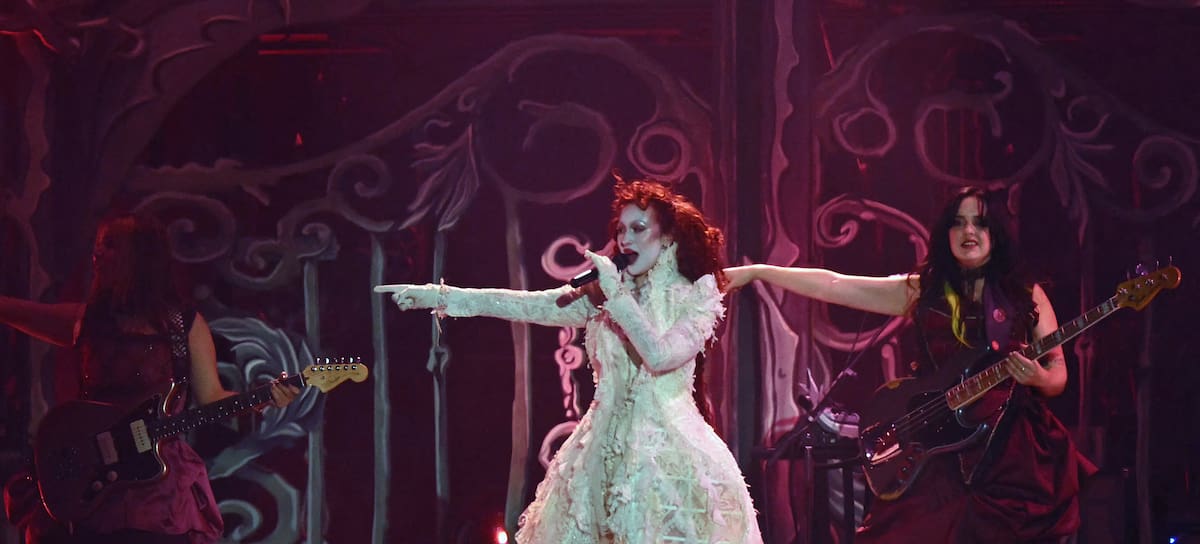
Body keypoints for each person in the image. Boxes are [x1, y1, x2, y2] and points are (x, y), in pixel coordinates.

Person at [376, 177, 763, 543]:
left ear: (669, 236)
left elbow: (661, 356)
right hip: (598, 458)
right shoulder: (604, 296)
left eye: (638, 228)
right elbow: (529, 305)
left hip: (670, 461)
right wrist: (441, 296)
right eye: (621, 230)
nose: (625, 239)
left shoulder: (697, 295)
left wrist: (616, 295)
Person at [725, 187, 1096, 543]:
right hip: (936, 446)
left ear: (995, 233)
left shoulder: (1026, 294)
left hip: (1010, 454)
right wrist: (760, 272)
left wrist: (1038, 376)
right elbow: (835, 284)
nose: (968, 231)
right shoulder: (924, 291)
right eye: (958, 222)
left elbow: (1058, 375)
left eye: (980, 223)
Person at [0, 213, 300, 544]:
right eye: (98, 245)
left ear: (140, 256)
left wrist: (264, 397)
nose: (97, 254)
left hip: (158, 492)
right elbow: (12, 310)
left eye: (110, 245)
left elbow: (212, 397)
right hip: (93, 483)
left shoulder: (184, 326)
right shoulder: (88, 321)